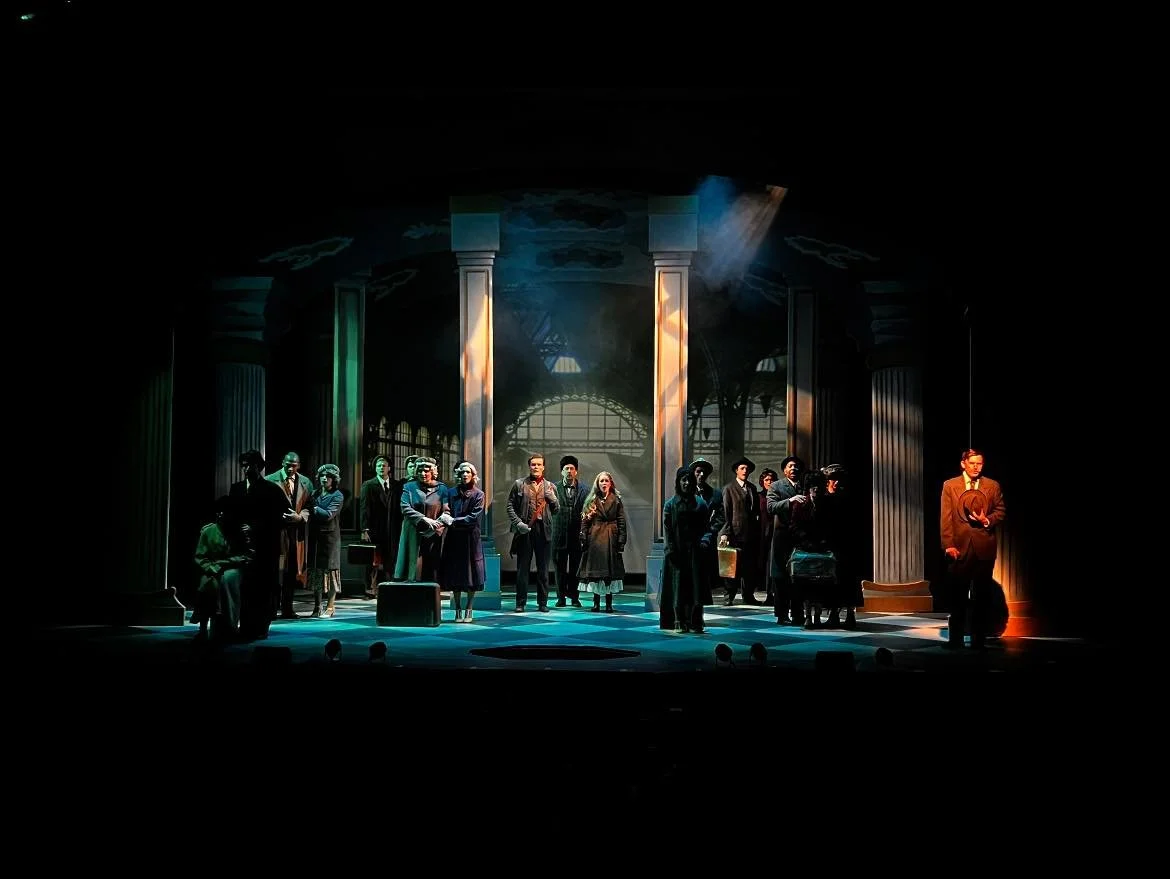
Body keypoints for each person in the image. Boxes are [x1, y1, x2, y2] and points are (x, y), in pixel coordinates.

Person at [940, 448, 1005, 650]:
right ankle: (956, 640)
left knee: (981, 598)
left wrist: (987, 520)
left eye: (980, 464)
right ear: (963, 464)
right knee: (957, 597)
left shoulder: (992, 486)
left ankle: (978, 641)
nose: (976, 467)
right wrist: (948, 545)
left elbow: (1001, 511)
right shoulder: (950, 486)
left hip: (984, 550)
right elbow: (946, 518)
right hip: (959, 549)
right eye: (972, 463)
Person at [505, 453, 559, 613]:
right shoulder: (519, 484)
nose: (536, 467)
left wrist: (553, 499)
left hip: (544, 531)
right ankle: (520, 603)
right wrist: (518, 523)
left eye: (539, 464)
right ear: (529, 466)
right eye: (533, 464)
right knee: (523, 569)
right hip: (525, 530)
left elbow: (556, 510)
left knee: (543, 570)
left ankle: (543, 603)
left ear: (543, 467)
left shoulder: (550, 487)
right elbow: (510, 506)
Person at [660, 466, 711, 633]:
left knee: (696, 589)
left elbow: (706, 528)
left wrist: (704, 542)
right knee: (677, 588)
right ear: (678, 482)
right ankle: (678, 620)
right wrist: (671, 550)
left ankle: (696, 621)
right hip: (677, 553)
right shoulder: (670, 505)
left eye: (689, 479)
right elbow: (667, 530)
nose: (687, 483)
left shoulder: (700, 504)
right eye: (683, 480)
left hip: (695, 553)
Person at [438, 461, 486, 622]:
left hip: (471, 539)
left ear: (473, 475)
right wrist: (446, 517)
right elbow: (446, 510)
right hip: (454, 539)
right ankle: (458, 608)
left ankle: (469, 608)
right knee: (455, 575)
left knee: (472, 575)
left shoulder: (479, 494)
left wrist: (454, 521)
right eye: (462, 472)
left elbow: (474, 517)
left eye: (468, 472)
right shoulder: (450, 492)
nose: (465, 474)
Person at [577, 471, 627, 613]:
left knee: (609, 573)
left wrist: (621, 540)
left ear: (610, 483)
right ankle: (596, 603)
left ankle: (609, 603)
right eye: (601, 481)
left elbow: (622, 521)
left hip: (611, 538)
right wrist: (583, 538)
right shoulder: (591, 500)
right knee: (596, 573)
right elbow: (584, 521)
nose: (604, 483)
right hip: (595, 539)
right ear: (597, 484)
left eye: (606, 481)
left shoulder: (616, 500)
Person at [359, 454, 400, 598]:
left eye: (383, 465)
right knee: (373, 560)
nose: (381, 468)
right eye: (378, 465)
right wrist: (365, 529)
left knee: (390, 558)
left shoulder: (396, 485)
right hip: (375, 528)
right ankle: (371, 589)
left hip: (392, 528)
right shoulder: (368, 485)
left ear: (389, 468)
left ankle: (389, 586)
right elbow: (364, 508)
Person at [308, 464, 345, 618]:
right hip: (315, 537)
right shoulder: (315, 493)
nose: (325, 478)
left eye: (328, 476)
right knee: (317, 572)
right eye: (322, 476)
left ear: (334, 479)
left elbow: (328, 514)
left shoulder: (337, 495)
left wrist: (314, 508)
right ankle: (317, 606)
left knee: (331, 572)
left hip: (330, 539)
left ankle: (330, 606)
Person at [551, 455, 585, 607]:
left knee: (575, 568)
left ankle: (574, 597)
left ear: (576, 471)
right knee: (559, 568)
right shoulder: (553, 488)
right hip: (558, 534)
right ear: (562, 472)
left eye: (572, 468)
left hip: (577, 536)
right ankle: (561, 597)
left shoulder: (585, 489)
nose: (569, 471)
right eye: (566, 469)